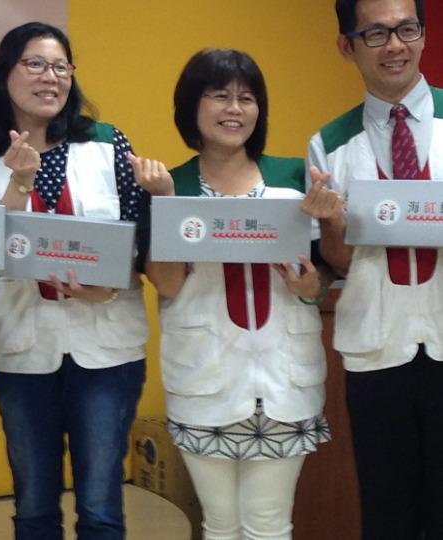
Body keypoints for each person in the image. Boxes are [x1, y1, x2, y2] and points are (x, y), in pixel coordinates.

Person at [130, 49, 331, 540]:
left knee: (268, 524)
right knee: (219, 524)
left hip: (284, 381)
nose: (234, 109)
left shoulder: (293, 178)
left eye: (247, 97)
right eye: (219, 95)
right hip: (205, 379)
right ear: (191, 106)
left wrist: (311, 287)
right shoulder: (170, 184)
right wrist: (165, 204)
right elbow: (169, 284)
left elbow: (323, 274)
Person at [0, 21, 148, 540]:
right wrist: (19, 181)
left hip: (106, 347)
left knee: (101, 507)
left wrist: (110, 285)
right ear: (6, 73)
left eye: (60, 67)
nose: (50, 77)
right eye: (35, 64)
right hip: (22, 345)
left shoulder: (106, 143)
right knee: (34, 506)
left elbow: (138, 234)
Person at [301, 0, 441, 537]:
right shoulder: (329, 145)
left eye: (407, 29)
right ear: (347, 46)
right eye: (377, 34)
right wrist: (332, 225)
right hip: (376, 351)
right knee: (388, 516)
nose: (396, 45)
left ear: (423, 35)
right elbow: (339, 263)